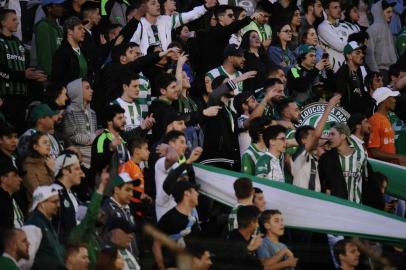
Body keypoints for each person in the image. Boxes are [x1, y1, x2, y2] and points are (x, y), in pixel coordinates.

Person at [0, 8, 47, 134]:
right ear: (3, 23)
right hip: (5, 98)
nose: (17, 23)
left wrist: (35, 76)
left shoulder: (19, 44)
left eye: (18, 20)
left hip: (22, 97)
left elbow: (26, 69)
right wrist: (23, 75)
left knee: (19, 132)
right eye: (14, 20)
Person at [292, 95, 341, 192]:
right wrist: (329, 106)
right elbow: (317, 135)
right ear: (304, 140)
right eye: (312, 136)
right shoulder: (300, 155)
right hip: (302, 201)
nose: (316, 138)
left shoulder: (313, 159)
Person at [130, 0, 216, 54]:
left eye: (157, 2)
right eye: (153, 3)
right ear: (144, 8)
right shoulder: (137, 25)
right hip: (147, 69)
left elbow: (190, 15)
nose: (158, 5)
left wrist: (205, 7)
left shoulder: (167, 20)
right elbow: (133, 48)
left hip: (166, 65)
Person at [153, 180, 200, 270]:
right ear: (187, 193)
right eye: (195, 191)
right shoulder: (168, 218)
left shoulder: (193, 217)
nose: (197, 194)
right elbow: (156, 246)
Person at [155, 131, 201, 220]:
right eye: (182, 142)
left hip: (182, 215)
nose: (186, 146)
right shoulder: (161, 161)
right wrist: (169, 148)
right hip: (167, 217)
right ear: (171, 143)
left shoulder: (179, 164)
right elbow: (172, 157)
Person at [196, 5, 253, 75]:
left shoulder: (223, 31)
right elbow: (232, 27)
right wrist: (251, 17)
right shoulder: (216, 31)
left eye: (233, 16)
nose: (233, 18)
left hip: (217, 71)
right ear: (220, 17)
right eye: (230, 15)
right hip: (210, 73)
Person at [319, 123, 367, 203]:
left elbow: (366, 181)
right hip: (336, 206)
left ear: (343, 136)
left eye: (332, 134)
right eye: (329, 134)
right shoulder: (327, 159)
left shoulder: (360, 155)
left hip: (357, 207)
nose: (329, 137)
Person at [25, 185, 65, 270]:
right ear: (42, 204)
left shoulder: (45, 223)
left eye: (59, 201)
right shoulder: (33, 225)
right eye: (54, 201)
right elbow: (26, 259)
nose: (58, 205)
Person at [91, 104, 130, 187]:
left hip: (121, 188)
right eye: (119, 118)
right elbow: (98, 165)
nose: (124, 121)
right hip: (106, 189)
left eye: (124, 117)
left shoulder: (122, 139)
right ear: (109, 121)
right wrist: (110, 149)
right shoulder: (101, 140)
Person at [63, 78, 97, 169]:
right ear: (77, 91)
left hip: (93, 155)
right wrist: (95, 136)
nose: (91, 90)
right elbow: (72, 137)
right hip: (79, 157)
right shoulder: (69, 112)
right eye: (87, 88)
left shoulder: (93, 113)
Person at [102, 173, 138, 257]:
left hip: (131, 260)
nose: (131, 194)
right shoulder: (106, 209)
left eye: (132, 190)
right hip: (115, 260)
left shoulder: (128, 209)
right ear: (116, 190)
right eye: (127, 190)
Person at [52, 152, 85, 244]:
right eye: (77, 169)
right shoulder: (54, 194)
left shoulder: (71, 193)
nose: (82, 174)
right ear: (65, 171)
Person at [368, 87, 406, 164]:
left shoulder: (386, 118)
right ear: (384, 100)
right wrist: (397, 156)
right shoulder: (375, 120)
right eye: (392, 98)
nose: (395, 101)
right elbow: (374, 152)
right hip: (382, 167)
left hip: (390, 165)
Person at [118, 137, 152, 219]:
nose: (149, 152)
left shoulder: (140, 168)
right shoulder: (126, 166)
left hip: (139, 210)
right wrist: (140, 195)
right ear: (137, 151)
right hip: (130, 211)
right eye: (146, 149)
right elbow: (121, 187)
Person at [51, 16, 92, 84]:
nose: (84, 31)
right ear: (70, 31)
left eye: (83, 28)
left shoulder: (84, 50)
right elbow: (57, 79)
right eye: (79, 28)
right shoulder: (62, 53)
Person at [365, 0, 398, 82]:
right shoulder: (372, 30)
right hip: (381, 72)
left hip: (393, 72)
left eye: (391, 12)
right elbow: (369, 55)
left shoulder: (388, 29)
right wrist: (376, 74)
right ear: (379, 12)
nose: (391, 15)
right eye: (388, 12)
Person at [317, 0, 353, 72]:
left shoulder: (345, 25)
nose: (339, 9)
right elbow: (341, 46)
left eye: (339, 7)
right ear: (327, 11)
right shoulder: (323, 27)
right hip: (335, 72)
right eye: (335, 7)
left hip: (348, 69)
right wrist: (352, 41)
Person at [335, 41, 369, 115]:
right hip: (349, 116)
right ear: (349, 56)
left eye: (362, 53)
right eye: (358, 53)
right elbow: (339, 96)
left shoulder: (362, 69)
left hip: (362, 114)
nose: (362, 55)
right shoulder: (342, 72)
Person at [223, 205, 263, 269]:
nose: (258, 225)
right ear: (252, 222)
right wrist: (249, 249)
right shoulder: (232, 239)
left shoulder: (251, 240)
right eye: (258, 222)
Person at [32, 0, 64, 76]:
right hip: (50, 78)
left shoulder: (59, 29)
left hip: (59, 76)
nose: (62, 8)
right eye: (58, 6)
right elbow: (45, 57)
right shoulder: (43, 27)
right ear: (49, 8)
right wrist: (49, 77)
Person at [21, 132, 55, 202]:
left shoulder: (49, 161)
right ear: (35, 147)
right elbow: (37, 193)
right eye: (45, 142)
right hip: (42, 207)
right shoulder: (28, 166)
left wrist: (53, 170)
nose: (48, 145)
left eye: (49, 142)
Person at [0, 163, 24, 230]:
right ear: (3, 179)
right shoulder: (2, 202)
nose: (20, 179)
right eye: (15, 175)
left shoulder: (17, 198)